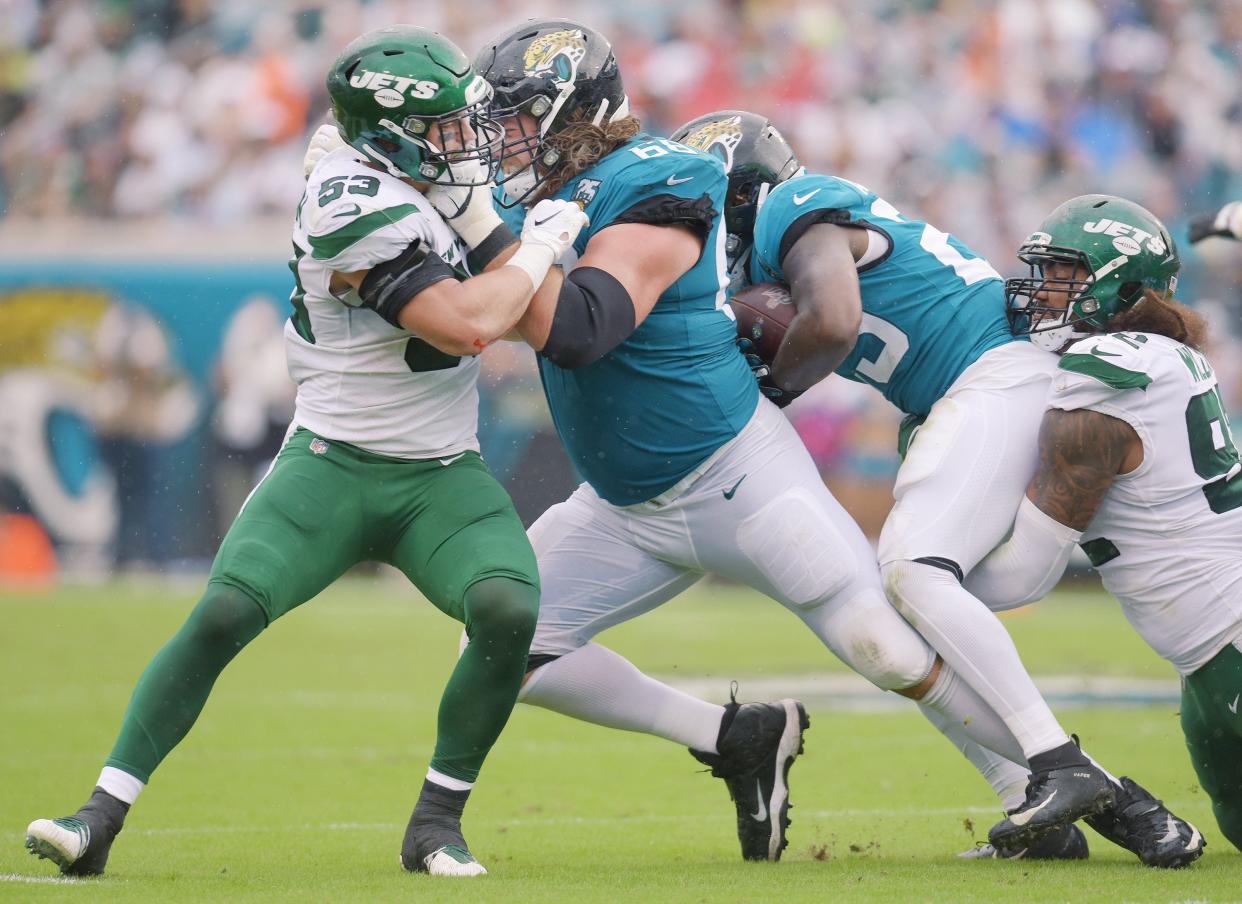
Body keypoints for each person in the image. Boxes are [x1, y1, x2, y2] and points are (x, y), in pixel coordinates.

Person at [418, 18, 1106, 865]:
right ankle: (735, 737)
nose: (507, 138)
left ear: (575, 108)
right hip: (621, 501)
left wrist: (499, 247)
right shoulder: (547, 203)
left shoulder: (663, 178)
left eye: (521, 116)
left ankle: (1080, 785)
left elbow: (582, 328)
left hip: (732, 474)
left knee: (885, 642)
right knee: (497, 647)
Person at [24, 25, 587, 879]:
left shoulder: (425, 179)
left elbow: (536, 315)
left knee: (508, 610)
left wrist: (479, 215)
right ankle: (99, 815)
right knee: (222, 613)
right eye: (439, 127)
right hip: (332, 464)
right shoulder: (346, 198)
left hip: (441, 474)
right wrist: (538, 244)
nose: (460, 142)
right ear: (390, 133)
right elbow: (472, 325)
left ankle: (436, 823)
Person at [670, 111, 1202, 866]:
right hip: (965, 393)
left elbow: (832, 323)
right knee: (911, 627)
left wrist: (766, 387)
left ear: (739, 184)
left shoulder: (795, 205)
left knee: (912, 569)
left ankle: (1057, 763)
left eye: (700, 197)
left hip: (994, 375)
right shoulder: (762, 253)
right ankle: (1052, 801)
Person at [960, 194, 1238, 859]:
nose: (1043, 290)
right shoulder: (1159, 356)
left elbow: (1025, 574)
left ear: (1123, 285)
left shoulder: (1109, 376)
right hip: (1205, 661)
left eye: (1064, 275)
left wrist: (920, 586)